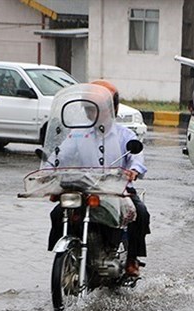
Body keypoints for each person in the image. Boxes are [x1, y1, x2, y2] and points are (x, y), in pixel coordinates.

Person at [46, 80, 150, 277]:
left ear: (112, 109)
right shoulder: (78, 134)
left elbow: (137, 158)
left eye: (96, 109)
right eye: (88, 109)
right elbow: (61, 154)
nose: (91, 114)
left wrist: (134, 170)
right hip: (85, 188)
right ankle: (65, 256)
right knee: (57, 213)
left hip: (117, 190)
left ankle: (132, 260)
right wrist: (49, 168)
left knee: (141, 213)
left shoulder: (124, 135)